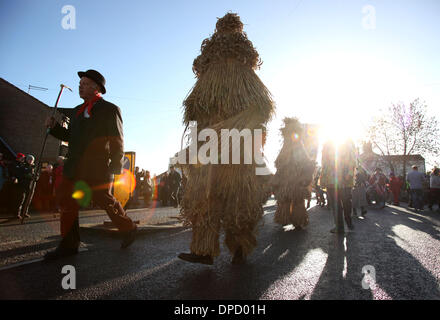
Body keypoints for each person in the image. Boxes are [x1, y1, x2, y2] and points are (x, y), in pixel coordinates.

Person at [44, 69, 137, 260]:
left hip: (97, 168)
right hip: (74, 167)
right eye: (80, 84)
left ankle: (128, 228)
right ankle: (69, 244)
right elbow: (71, 137)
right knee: (67, 201)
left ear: (96, 88)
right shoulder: (78, 112)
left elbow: (117, 140)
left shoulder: (110, 109)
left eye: (84, 84)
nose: (80, 86)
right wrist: (54, 128)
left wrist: (115, 167)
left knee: (105, 201)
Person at [320, 139, 356, 234]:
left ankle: (348, 221)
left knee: (346, 202)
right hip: (331, 182)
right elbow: (324, 165)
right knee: (336, 205)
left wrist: (349, 173)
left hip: (344, 180)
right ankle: (340, 227)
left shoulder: (346, 145)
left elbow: (352, 161)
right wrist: (323, 180)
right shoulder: (326, 148)